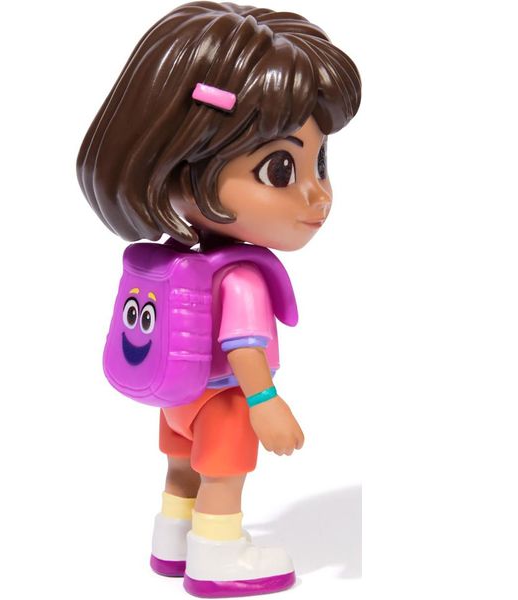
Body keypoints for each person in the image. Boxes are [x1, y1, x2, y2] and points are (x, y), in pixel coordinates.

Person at [76, 2, 361, 596]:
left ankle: (172, 541)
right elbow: (243, 345)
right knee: (224, 476)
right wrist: (265, 402)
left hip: (177, 397)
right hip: (226, 399)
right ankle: (218, 552)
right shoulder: (241, 277)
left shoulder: (180, 261)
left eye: (319, 163)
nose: (319, 195)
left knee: (182, 470)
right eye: (280, 170)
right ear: (182, 170)